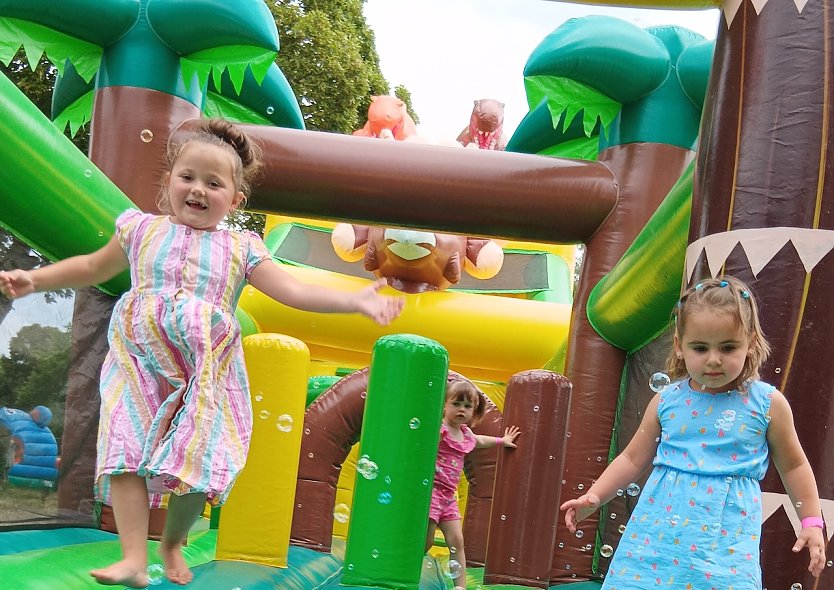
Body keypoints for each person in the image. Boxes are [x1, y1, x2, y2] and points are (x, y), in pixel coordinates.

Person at [0, 118, 404, 588]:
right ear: (168, 181)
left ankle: (172, 541)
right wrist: (35, 280)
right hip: (140, 362)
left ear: (235, 200)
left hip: (206, 373)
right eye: (187, 177)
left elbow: (292, 291)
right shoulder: (140, 231)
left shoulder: (241, 247)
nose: (197, 189)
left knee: (198, 462)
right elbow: (91, 266)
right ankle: (133, 557)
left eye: (214, 184)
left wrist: (354, 300)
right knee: (125, 451)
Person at [560, 276, 826, 588]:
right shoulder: (667, 401)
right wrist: (596, 496)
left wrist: (810, 521)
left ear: (750, 343)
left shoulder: (767, 404)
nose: (714, 359)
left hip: (724, 545)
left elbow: (794, 466)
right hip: (656, 537)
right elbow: (632, 459)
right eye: (700, 347)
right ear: (679, 346)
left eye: (728, 347)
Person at [427, 379, 520, 590]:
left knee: (457, 541)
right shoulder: (438, 430)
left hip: (448, 497)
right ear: (444, 405)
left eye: (468, 406)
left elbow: (480, 440)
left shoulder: (465, 434)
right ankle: (407, 566)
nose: (462, 410)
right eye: (456, 404)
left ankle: (460, 587)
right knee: (428, 539)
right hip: (431, 492)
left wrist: (502, 441)